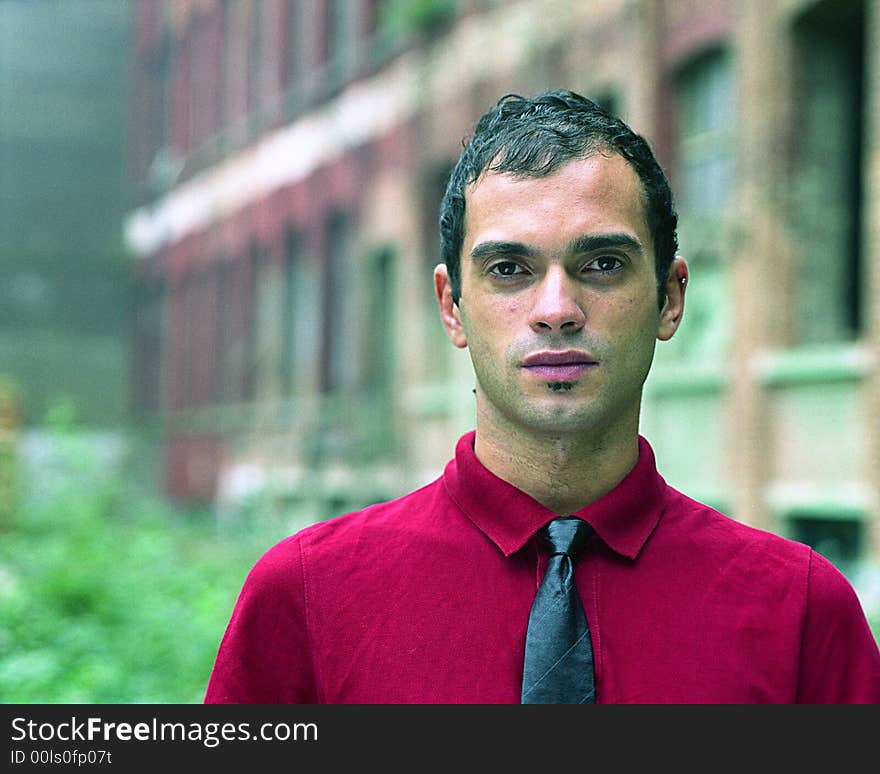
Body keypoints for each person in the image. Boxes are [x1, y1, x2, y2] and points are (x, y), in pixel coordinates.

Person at [204, 89, 880, 704]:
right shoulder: (304, 596)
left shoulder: (801, 611)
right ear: (451, 306)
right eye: (509, 269)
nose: (556, 308)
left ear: (670, 298)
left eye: (602, 264)